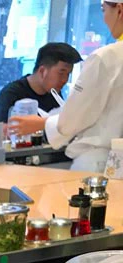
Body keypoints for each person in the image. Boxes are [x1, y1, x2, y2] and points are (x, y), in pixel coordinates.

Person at [35, 2, 123, 171]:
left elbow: (72, 120)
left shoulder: (106, 58)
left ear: (119, 10)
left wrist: (42, 123)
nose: (104, 19)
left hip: (99, 163)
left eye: (104, 10)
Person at [0, 42, 82, 130]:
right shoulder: (11, 94)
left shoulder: (54, 95)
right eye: (61, 73)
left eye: (68, 74)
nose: (65, 80)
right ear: (42, 71)